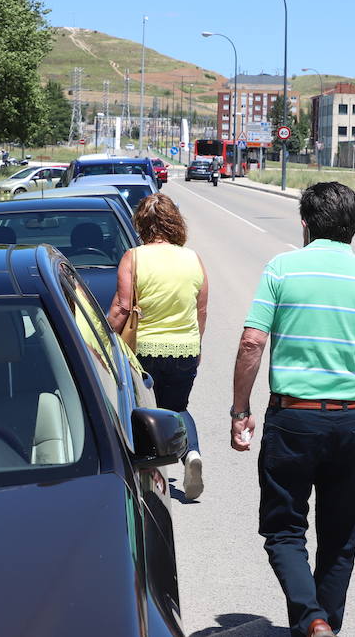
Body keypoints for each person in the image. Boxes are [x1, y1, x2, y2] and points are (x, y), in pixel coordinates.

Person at [230, 182, 355, 637]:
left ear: (305, 224)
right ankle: (324, 623)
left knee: (285, 529)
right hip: (351, 421)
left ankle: (311, 621)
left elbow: (252, 341)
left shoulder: (282, 270)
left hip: (293, 419)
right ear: (354, 227)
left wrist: (240, 410)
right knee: (340, 536)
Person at [106, 193, 209, 500]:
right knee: (177, 407)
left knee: (144, 413)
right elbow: (200, 310)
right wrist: (197, 344)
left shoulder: (134, 257)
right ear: (175, 221)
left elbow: (122, 308)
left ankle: (150, 475)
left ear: (141, 223)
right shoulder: (193, 259)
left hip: (146, 351)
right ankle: (191, 454)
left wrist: (105, 337)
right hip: (185, 348)